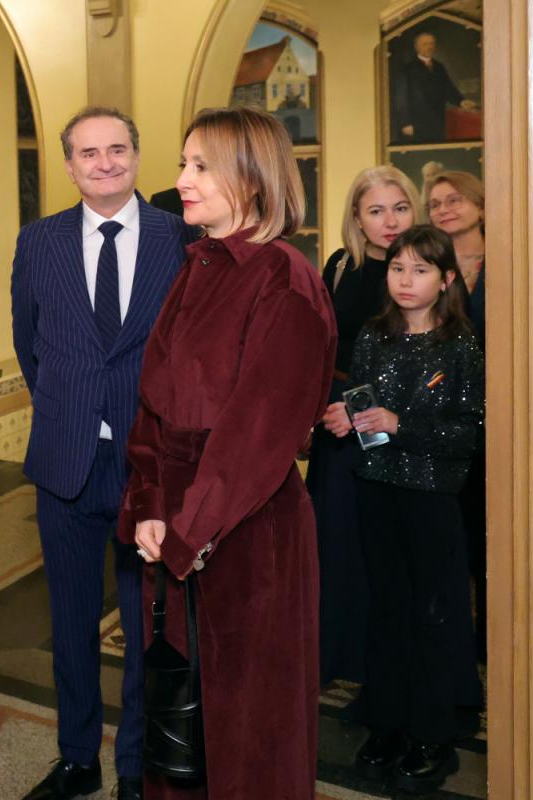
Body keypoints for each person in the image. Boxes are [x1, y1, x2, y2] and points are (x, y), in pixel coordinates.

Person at [121, 106, 337, 799]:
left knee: (249, 737)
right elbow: (154, 406)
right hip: (179, 528)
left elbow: (257, 434)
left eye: (200, 166)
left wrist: (186, 532)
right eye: (183, 163)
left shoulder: (286, 279)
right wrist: (149, 506)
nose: (181, 180)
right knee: (180, 727)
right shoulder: (198, 267)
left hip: (248, 538)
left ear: (252, 177)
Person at [11, 106, 193, 800]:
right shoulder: (38, 242)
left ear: (137, 156)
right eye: (88, 153)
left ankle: (136, 767)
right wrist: (73, 411)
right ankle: (78, 756)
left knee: (147, 627)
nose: (104, 163)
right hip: (66, 461)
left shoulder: (180, 239)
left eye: (117, 149)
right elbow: (29, 344)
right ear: (68, 166)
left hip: (149, 466)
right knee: (70, 624)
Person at [324, 225, 481, 793]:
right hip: (377, 488)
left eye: (420, 270)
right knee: (386, 610)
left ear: (446, 279)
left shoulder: (460, 344)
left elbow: (468, 435)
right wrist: (350, 417)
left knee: (432, 615)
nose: (405, 280)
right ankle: (387, 724)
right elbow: (367, 412)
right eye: (397, 268)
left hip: (432, 497)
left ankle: (432, 736)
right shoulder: (374, 335)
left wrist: (400, 424)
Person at [308, 166, 421, 685]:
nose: (390, 221)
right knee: (333, 539)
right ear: (356, 218)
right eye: (376, 210)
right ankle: (334, 655)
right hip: (334, 416)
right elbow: (321, 343)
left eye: (400, 208)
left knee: (383, 543)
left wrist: (359, 408)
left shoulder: (421, 268)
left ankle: (379, 666)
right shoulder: (339, 265)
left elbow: (420, 360)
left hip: (388, 417)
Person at [427, 170, 488, 667]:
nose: (444, 209)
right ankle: (455, 650)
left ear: (481, 206)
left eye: (455, 200)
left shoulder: (512, 257)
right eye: (434, 204)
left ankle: (494, 643)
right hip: (439, 418)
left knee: (496, 536)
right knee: (454, 536)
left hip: (503, 418)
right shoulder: (428, 268)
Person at [394, 32, 477, 142]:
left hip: (437, 120)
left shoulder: (439, 67)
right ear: (416, 47)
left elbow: (448, 89)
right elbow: (401, 98)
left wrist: (461, 102)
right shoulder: (407, 69)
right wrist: (405, 123)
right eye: (425, 44)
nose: (429, 47)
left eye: (432, 43)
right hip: (415, 124)